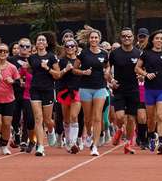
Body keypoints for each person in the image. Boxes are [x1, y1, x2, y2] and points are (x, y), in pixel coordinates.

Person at [135, 30, 162, 154]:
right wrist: (146, 74)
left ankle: (161, 143)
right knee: (151, 118)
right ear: (152, 40)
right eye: (157, 38)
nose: (159, 41)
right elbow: (137, 68)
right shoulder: (145, 54)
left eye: (161, 39)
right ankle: (152, 136)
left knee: (161, 116)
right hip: (149, 90)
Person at [75, 28, 110, 156]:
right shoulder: (83, 54)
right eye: (92, 38)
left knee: (97, 117)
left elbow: (107, 66)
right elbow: (74, 69)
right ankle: (89, 134)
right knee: (88, 118)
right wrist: (83, 72)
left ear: (99, 39)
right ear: (88, 39)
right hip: (85, 88)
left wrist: (107, 72)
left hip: (100, 87)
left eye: (96, 37)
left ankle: (94, 146)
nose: (94, 39)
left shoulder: (104, 54)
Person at [28, 33, 61, 156]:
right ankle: (40, 146)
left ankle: (51, 130)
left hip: (48, 89)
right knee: (38, 118)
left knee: (47, 120)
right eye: (39, 40)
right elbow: (30, 70)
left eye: (43, 40)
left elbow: (57, 75)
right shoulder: (32, 58)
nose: (41, 42)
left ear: (46, 44)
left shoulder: (51, 57)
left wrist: (47, 68)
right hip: (35, 89)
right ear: (36, 44)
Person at [109, 28, 141, 155]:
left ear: (133, 38)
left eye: (129, 36)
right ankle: (119, 129)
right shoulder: (114, 54)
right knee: (120, 116)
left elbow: (143, 69)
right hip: (119, 89)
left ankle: (128, 144)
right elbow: (107, 70)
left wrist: (142, 76)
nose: (126, 38)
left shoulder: (138, 53)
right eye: (124, 36)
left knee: (132, 119)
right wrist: (111, 80)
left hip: (134, 89)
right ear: (120, 38)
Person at [0, 43, 21, 155]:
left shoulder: (12, 67)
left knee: (7, 124)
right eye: (0, 51)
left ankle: (4, 146)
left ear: (8, 53)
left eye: (5, 51)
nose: (2, 53)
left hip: (9, 99)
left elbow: (19, 82)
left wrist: (12, 81)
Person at [57, 39, 82, 153]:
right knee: (66, 119)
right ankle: (67, 141)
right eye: (67, 46)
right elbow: (57, 75)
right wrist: (65, 69)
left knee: (73, 116)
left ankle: (73, 142)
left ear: (76, 47)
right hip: (64, 91)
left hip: (77, 91)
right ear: (65, 48)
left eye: (72, 46)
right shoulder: (61, 61)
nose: (70, 48)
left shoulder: (80, 60)